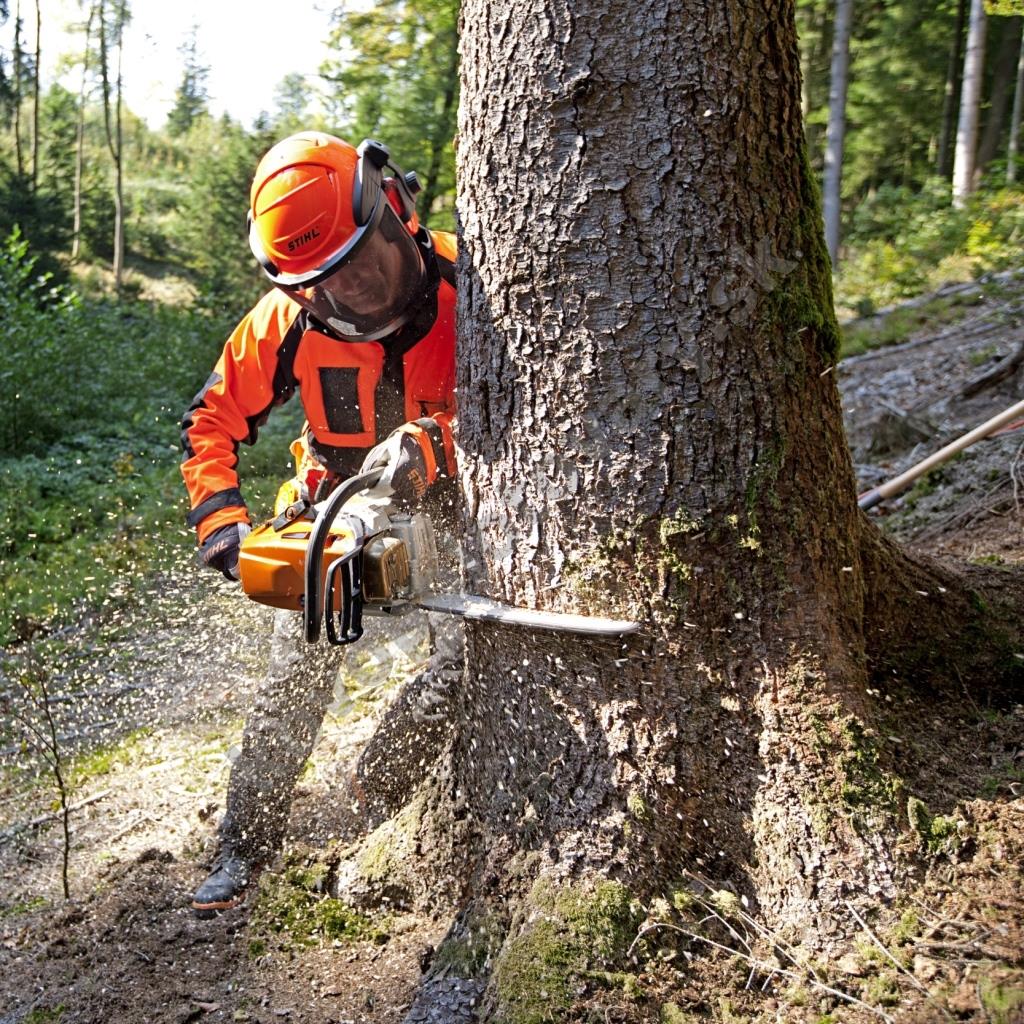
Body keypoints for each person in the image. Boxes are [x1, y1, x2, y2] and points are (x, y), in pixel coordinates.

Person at [180, 131, 458, 916]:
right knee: (291, 683)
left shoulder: (472, 288)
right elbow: (209, 422)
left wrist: (443, 443)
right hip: (334, 511)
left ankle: (377, 786)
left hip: (459, 511)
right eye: (325, 283)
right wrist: (222, 525)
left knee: (471, 665)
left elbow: (546, 408)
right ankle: (244, 847)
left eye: (362, 261)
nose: (355, 289)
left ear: (393, 208)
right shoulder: (287, 322)